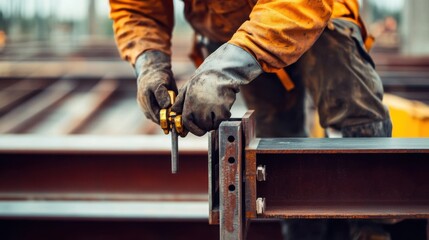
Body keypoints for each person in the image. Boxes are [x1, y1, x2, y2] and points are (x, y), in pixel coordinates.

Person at [110, 0, 394, 239]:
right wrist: (149, 61)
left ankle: (372, 226)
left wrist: (225, 68)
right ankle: (302, 231)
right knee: (277, 143)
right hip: (234, 32)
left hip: (314, 13)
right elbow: (137, 7)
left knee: (349, 102)